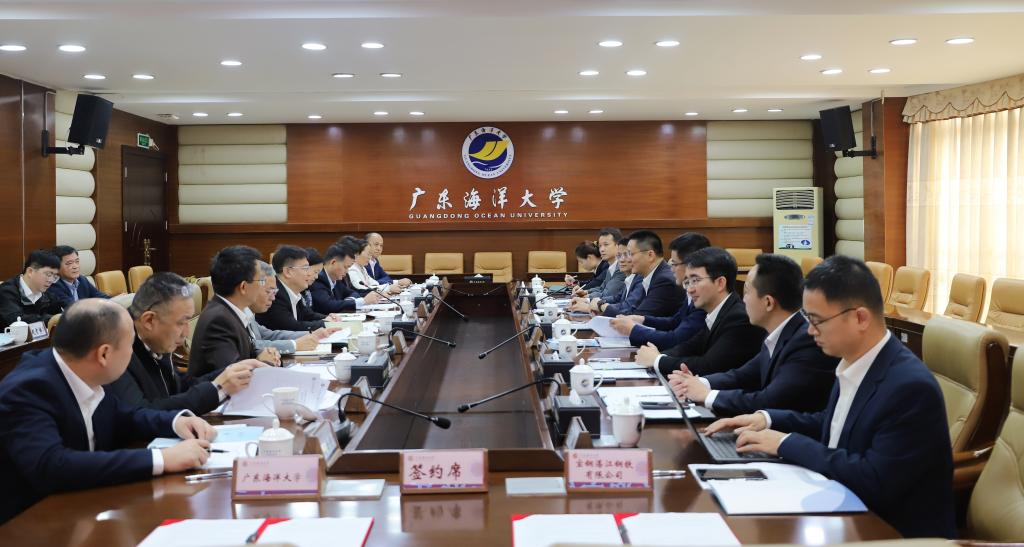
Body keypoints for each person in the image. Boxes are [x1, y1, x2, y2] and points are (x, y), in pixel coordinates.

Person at [704, 256, 955, 538]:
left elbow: (874, 479)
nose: (810, 331)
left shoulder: (909, 387)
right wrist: (766, 419)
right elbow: (834, 424)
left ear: (860, 318)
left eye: (817, 321)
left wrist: (786, 443)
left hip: (891, 531)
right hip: (842, 506)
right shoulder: (854, 360)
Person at [0, 299, 217, 524]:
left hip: (84, 506)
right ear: (104, 354)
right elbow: (52, 465)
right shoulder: (28, 389)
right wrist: (161, 459)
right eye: (130, 345)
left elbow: (123, 416)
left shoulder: (86, 370)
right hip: (31, 522)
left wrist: (175, 422)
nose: (132, 354)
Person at [667, 253, 838, 416]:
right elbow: (742, 376)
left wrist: (707, 395)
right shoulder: (779, 332)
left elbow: (769, 400)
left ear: (768, 302)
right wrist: (697, 383)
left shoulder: (806, 340)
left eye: (747, 291)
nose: (743, 299)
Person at [106, 272, 264, 414]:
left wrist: (232, 371)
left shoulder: (157, 337)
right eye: (181, 323)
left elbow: (179, 387)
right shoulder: (116, 349)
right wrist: (217, 390)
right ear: (149, 320)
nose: (186, 333)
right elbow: (140, 414)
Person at [638, 247, 766, 376]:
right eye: (688, 282)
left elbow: (708, 366)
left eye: (695, 280)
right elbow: (690, 347)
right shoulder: (717, 311)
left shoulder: (739, 318)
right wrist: (659, 355)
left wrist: (658, 360)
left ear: (720, 283)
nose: (689, 290)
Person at [189, 246, 279, 380]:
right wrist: (265, 362)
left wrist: (263, 354)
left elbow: (246, 353)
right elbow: (234, 377)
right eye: (260, 281)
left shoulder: (230, 311)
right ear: (243, 287)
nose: (262, 286)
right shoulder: (219, 320)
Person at [610, 232, 710, 349]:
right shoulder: (648, 277)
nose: (672, 269)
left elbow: (675, 339)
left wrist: (633, 329)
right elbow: (675, 321)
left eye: (674, 264)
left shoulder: (667, 281)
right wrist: (642, 320)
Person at [249, 261, 331, 354]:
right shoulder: (280, 296)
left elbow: (268, 335)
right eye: (268, 291)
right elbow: (251, 346)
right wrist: (295, 345)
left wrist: (311, 334)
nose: (273, 298)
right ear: (244, 287)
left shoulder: (247, 314)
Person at [597, 230, 684, 318]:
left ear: (650, 255)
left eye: (630, 254)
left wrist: (601, 307)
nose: (628, 259)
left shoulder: (664, 280)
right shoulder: (649, 276)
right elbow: (632, 310)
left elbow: (638, 316)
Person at [256, 245, 333, 332]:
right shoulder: (275, 294)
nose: (308, 273)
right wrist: (327, 324)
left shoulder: (293, 291)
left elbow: (307, 315)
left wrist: (328, 318)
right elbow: (293, 327)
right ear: (288, 272)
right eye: (305, 268)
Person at [0, 249, 64, 329]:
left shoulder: (49, 295)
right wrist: (52, 319)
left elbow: (61, 317)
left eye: (55, 276)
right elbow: (16, 320)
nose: (51, 280)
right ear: (30, 271)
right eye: (48, 274)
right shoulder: (6, 291)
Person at [311, 242, 381, 313]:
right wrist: (363, 301)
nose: (347, 271)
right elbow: (328, 305)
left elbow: (353, 293)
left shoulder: (336, 279)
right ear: (333, 262)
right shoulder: (318, 278)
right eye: (345, 267)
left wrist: (348, 301)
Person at [570, 227, 621, 293]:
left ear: (618, 245)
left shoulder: (620, 267)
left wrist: (586, 294)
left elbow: (608, 293)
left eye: (606, 245)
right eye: (600, 246)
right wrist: (586, 293)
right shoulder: (610, 268)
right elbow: (601, 288)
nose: (602, 249)